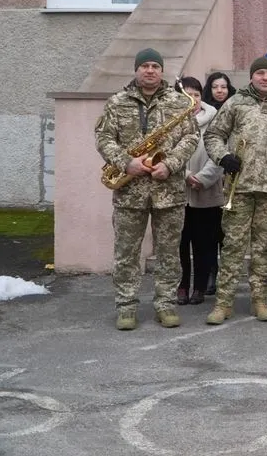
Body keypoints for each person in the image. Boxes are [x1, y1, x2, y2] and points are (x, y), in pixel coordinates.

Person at [95, 48, 199, 331]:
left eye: (155, 66)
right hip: (130, 193)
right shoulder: (117, 102)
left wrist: (173, 164)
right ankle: (126, 307)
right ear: (136, 70)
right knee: (126, 253)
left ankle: (165, 305)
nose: (150, 70)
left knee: (169, 253)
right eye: (145, 66)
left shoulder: (179, 102)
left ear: (162, 71)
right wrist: (126, 162)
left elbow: (191, 136)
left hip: (169, 191)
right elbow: (103, 138)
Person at [203, 56, 267, 324]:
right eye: (260, 73)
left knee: (264, 247)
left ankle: (260, 299)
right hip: (239, 187)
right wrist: (223, 157)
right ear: (252, 77)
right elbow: (213, 135)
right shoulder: (236, 102)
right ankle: (223, 303)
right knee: (233, 246)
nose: (265, 77)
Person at [177, 77, 224, 306]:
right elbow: (166, 152)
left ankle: (200, 286)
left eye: (196, 94)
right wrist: (186, 176)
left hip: (207, 193)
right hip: (178, 193)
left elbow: (221, 152)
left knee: (204, 243)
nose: (192, 99)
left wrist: (203, 178)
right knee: (180, 243)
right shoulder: (172, 120)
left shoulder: (216, 118)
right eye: (187, 94)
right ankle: (183, 284)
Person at [201, 71, 236, 295]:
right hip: (209, 176)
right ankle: (210, 272)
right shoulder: (205, 114)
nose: (220, 90)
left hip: (231, 176)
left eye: (224, 86)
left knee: (227, 233)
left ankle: (225, 274)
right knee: (210, 232)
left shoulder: (235, 109)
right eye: (215, 87)